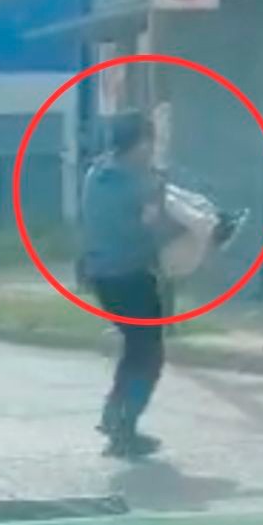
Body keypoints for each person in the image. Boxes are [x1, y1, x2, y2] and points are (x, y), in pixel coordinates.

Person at [81, 113, 181, 459]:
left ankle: (117, 420)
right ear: (139, 144)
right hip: (131, 275)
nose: (151, 149)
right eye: (149, 142)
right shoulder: (138, 183)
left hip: (103, 277)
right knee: (148, 353)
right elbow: (152, 226)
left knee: (137, 348)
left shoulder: (97, 174)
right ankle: (122, 424)